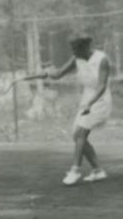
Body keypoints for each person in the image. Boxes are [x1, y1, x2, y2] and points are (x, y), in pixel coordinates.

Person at [42, 34, 112, 185]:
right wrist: (47, 73)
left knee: (80, 133)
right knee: (77, 136)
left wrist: (90, 103)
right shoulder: (77, 58)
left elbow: (101, 86)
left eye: (76, 48)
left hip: (100, 100)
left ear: (85, 47)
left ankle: (75, 171)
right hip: (87, 99)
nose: (73, 51)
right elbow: (59, 74)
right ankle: (98, 171)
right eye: (72, 48)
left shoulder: (102, 59)